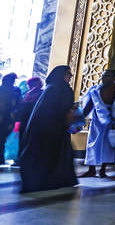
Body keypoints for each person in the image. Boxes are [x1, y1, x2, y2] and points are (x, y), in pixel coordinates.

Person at [18, 65, 78, 193]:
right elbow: (65, 109)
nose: (70, 76)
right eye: (68, 73)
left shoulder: (50, 88)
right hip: (55, 129)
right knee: (54, 154)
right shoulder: (63, 89)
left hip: (43, 129)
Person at [80, 69, 115, 178]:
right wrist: (79, 119)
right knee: (92, 143)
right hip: (97, 120)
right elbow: (89, 106)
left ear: (114, 77)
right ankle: (91, 170)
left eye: (108, 76)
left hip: (112, 120)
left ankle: (103, 170)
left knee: (108, 146)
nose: (104, 78)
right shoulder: (95, 90)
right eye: (103, 76)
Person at [15, 76, 43, 147]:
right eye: (29, 85)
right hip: (24, 120)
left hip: (32, 120)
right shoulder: (29, 93)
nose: (29, 87)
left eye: (30, 85)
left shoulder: (41, 93)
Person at [0, 73, 22, 163]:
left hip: (7, 119)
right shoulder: (15, 91)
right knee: (2, 139)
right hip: (8, 119)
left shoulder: (13, 91)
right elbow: (19, 105)